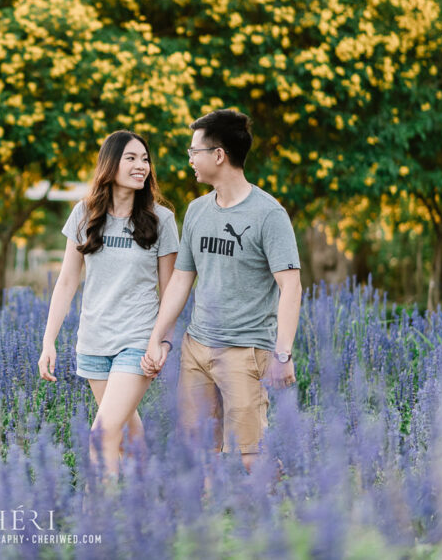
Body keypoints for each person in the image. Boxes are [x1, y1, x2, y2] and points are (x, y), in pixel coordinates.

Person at [141, 109, 302, 472]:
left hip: (245, 351)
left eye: (194, 151)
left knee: (251, 455)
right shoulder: (197, 210)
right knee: (199, 452)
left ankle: (275, 518)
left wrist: (282, 353)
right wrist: (157, 337)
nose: (190, 160)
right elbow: (182, 279)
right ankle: (209, 522)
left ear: (218, 155)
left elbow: (290, 286)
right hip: (197, 349)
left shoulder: (268, 214)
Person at [38, 130, 179, 478]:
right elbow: (68, 280)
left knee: (102, 434)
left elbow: (171, 289)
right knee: (127, 433)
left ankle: (101, 512)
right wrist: (48, 339)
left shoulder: (162, 220)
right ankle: (144, 501)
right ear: (110, 163)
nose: (141, 166)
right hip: (94, 341)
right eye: (131, 158)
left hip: (137, 341)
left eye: (145, 159)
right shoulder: (84, 214)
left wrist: (161, 341)